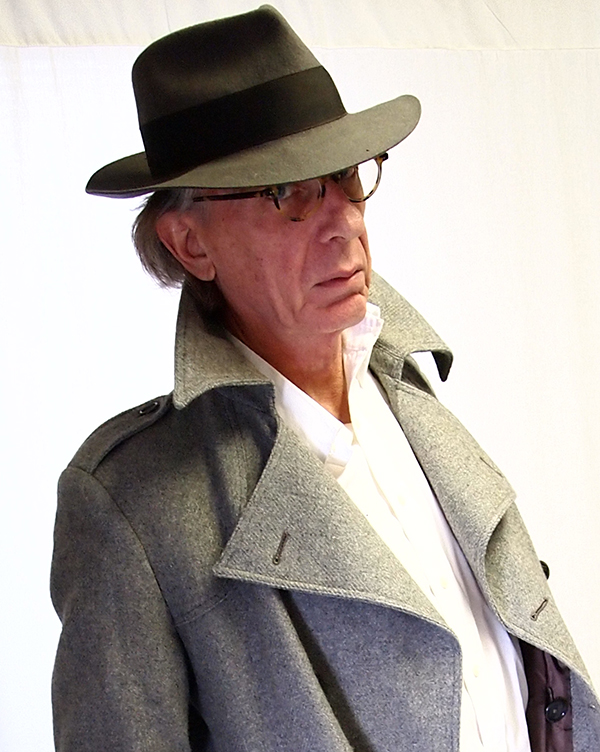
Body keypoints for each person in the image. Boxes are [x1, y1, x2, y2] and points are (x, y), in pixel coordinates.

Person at [51, 6, 600, 752]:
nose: (344, 221)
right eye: (288, 192)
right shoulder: (132, 502)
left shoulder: (408, 389)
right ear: (190, 243)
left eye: (345, 177)